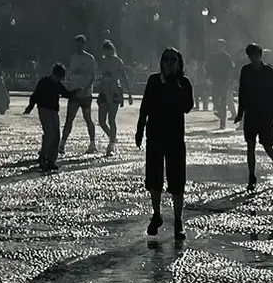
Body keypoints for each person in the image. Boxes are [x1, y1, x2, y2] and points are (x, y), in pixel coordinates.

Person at [135, 47, 194, 240]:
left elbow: (187, 107)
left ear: (179, 63)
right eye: (166, 59)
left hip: (175, 136)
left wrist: (175, 86)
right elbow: (145, 106)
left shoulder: (183, 82)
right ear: (162, 62)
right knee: (154, 177)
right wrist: (139, 129)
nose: (169, 63)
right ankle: (157, 215)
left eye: (173, 60)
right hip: (154, 134)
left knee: (177, 179)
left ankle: (178, 221)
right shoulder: (153, 80)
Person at [234, 43, 273, 192]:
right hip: (251, 113)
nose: (253, 58)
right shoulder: (246, 71)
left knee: (267, 145)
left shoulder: (269, 72)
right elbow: (242, 92)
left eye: (255, 55)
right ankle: (251, 176)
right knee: (250, 146)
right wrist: (240, 113)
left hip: (266, 114)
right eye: (251, 56)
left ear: (260, 55)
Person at [24, 64, 76, 171]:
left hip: (53, 111)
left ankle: (51, 160)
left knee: (56, 135)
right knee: (50, 134)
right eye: (59, 78)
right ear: (56, 75)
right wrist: (30, 107)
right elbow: (35, 95)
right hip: (44, 110)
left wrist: (76, 91)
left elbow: (66, 94)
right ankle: (43, 156)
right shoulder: (44, 82)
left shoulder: (57, 84)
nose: (59, 80)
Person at [60, 35, 98, 156]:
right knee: (69, 119)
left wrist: (86, 88)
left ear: (84, 45)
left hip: (86, 94)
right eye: (77, 45)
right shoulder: (73, 57)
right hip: (75, 93)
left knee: (87, 118)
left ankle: (92, 143)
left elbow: (92, 76)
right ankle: (62, 143)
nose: (78, 47)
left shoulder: (90, 58)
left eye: (80, 45)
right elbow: (71, 74)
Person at [97, 40, 132, 156]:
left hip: (114, 91)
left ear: (112, 50)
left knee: (111, 119)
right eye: (105, 51)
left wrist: (129, 94)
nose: (106, 53)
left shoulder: (117, 61)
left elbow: (123, 77)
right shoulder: (102, 61)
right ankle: (111, 136)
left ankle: (111, 144)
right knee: (102, 121)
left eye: (108, 50)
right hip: (103, 91)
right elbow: (101, 76)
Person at [206, 39, 235, 130]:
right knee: (215, 100)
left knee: (223, 102)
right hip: (215, 81)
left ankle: (223, 123)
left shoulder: (227, 57)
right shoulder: (213, 57)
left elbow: (231, 69)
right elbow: (209, 68)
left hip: (224, 82)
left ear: (224, 46)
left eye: (221, 45)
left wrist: (230, 80)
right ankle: (220, 113)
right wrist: (208, 78)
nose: (219, 47)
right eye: (218, 45)